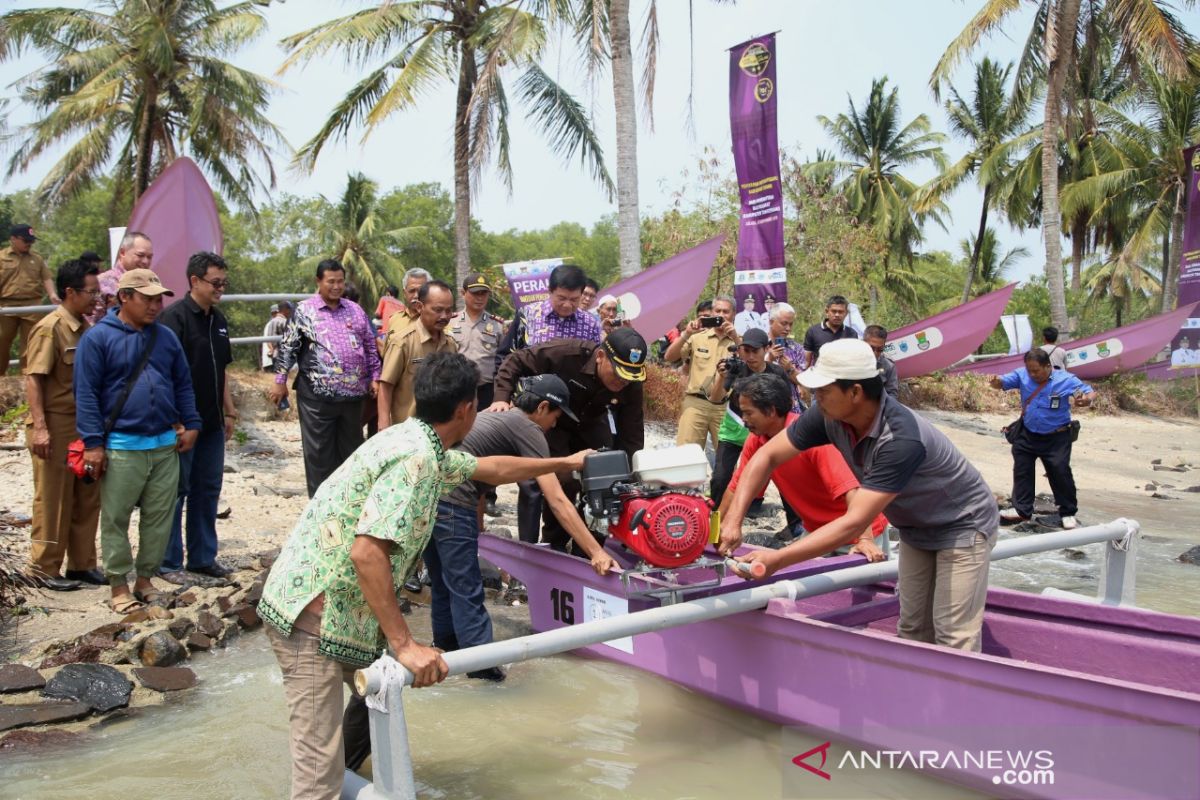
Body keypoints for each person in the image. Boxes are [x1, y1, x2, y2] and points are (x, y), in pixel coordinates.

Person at [259, 352, 592, 800]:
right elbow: (367, 553)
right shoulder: (416, 461)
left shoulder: (417, 441)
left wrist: (564, 463)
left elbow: (491, 468)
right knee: (317, 776)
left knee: (375, 694)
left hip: (342, 616)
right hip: (311, 618)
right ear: (465, 409)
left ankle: (364, 777)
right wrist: (405, 644)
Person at [721, 339, 1000, 652]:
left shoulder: (900, 439)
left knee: (953, 636)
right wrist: (733, 521)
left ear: (854, 392)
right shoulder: (827, 416)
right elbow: (766, 456)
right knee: (912, 627)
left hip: (962, 523)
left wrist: (777, 559)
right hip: (914, 527)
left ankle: (958, 698)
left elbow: (855, 523)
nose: (816, 398)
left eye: (823, 391)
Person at [74, 269, 201, 614]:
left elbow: (183, 383)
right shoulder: (97, 339)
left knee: (160, 516)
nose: (155, 305)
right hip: (121, 446)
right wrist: (94, 444)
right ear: (123, 297)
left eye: (159, 298)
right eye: (147, 298)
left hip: (163, 444)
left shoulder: (165, 338)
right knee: (116, 517)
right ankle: (118, 585)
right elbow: (85, 395)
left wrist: (191, 423)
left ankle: (145, 580)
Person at [490, 327, 646, 550]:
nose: (623, 382)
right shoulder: (566, 353)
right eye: (618, 373)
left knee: (606, 480)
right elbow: (515, 361)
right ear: (601, 357)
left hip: (592, 424)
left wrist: (627, 476)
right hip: (555, 423)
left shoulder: (630, 382)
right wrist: (501, 398)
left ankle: (590, 549)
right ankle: (554, 544)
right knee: (561, 481)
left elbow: (631, 431)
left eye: (629, 378)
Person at [718, 373, 887, 561]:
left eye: (749, 413)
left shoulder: (812, 437)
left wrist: (864, 539)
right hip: (816, 532)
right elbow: (736, 488)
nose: (744, 420)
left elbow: (852, 490)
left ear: (771, 411)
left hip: (860, 531)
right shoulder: (756, 440)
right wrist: (718, 529)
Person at [23, 259, 104, 591]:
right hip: (55, 426)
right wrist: (40, 427)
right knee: (53, 497)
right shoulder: (49, 328)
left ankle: (82, 564)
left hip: (85, 427)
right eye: (91, 292)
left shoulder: (87, 329)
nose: (97, 298)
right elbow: (33, 378)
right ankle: (44, 568)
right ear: (70, 292)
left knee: (86, 495)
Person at [270, 260, 381, 498]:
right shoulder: (304, 311)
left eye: (340, 281)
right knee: (319, 454)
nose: (336, 286)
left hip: (352, 397)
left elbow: (370, 346)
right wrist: (279, 380)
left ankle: (347, 506)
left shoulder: (355, 310)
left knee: (351, 453)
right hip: (316, 398)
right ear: (318, 282)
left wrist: (375, 377)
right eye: (331, 281)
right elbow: (288, 347)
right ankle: (320, 511)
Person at [158, 252, 237, 583]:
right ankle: (167, 562)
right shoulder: (173, 320)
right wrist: (175, 422)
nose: (220, 288)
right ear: (194, 281)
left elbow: (223, 370)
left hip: (212, 423)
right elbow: (161, 376)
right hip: (181, 424)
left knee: (207, 489)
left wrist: (229, 411)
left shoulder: (218, 321)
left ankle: (203, 557)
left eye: (223, 283)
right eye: (215, 282)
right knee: (175, 492)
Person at [991, 349, 1093, 530]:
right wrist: (996, 382)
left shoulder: (1065, 380)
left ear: (1048, 366)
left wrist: (1085, 400)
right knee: (1022, 469)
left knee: (1059, 471)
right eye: (1029, 370)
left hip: (1057, 436)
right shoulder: (1022, 375)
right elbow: (1002, 382)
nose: (1032, 374)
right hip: (1028, 433)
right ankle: (1022, 509)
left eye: (1036, 370)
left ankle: (1068, 512)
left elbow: (1087, 392)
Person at [708, 328, 794, 507]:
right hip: (733, 433)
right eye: (745, 351)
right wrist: (721, 378)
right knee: (720, 478)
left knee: (785, 476)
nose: (750, 356)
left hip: (764, 435)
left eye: (755, 351)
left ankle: (794, 525)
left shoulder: (777, 373)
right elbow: (715, 399)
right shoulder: (735, 369)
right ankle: (714, 518)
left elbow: (788, 403)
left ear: (767, 348)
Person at [378, 280, 458, 430]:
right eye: (438, 310)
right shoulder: (402, 342)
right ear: (420, 307)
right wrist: (383, 425)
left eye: (448, 310)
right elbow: (386, 386)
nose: (444, 316)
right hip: (407, 431)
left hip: (439, 430)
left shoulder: (450, 345)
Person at [665, 296, 740, 451]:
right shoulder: (696, 337)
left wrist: (736, 338)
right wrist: (686, 334)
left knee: (728, 458)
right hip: (695, 404)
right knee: (687, 456)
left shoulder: (740, 341)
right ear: (711, 312)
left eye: (725, 311)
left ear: (734, 314)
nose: (721, 314)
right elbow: (669, 357)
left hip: (725, 407)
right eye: (717, 310)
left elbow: (751, 364)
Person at [494, 263, 602, 359]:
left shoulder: (590, 323)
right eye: (562, 298)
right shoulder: (527, 315)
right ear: (550, 290)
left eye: (574, 299)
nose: (567, 305)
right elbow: (505, 356)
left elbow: (597, 362)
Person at [1, 224, 59, 373]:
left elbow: (46, 278)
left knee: (31, 343)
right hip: (6, 306)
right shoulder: (1, 257)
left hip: (32, 305)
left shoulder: (37, 259)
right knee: (2, 341)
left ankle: (27, 378)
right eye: (25, 240)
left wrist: (52, 294)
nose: (29, 244)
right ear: (13, 239)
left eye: (31, 241)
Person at [448, 273, 504, 410]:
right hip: (457, 390)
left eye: (483, 293)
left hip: (487, 392)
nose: (479, 298)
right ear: (463, 293)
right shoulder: (450, 322)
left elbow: (503, 359)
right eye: (475, 293)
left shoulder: (497, 325)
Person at [94, 231, 153, 324]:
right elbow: (91, 324)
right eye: (140, 255)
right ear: (122, 252)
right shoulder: (102, 282)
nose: (145, 261)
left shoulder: (151, 283)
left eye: (149, 257)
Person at [764, 301, 807, 412]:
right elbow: (751, 376)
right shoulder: (758, 346)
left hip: (792, 411)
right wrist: (769, 360)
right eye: (784, 323)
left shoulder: (796, 348)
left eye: (791, 324)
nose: (788, 328)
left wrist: (790, 369)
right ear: (771, 322)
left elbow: (805, 381)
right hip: (765, 409)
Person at [802, 294, 858, 368]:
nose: (837, 315)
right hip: (821, 377)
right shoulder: (813, 331)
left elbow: (854, 360)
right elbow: (806, 362)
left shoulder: (852, 334)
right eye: (834, 311)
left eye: (840, 312)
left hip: (844, 377)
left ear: (846, 313)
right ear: (827, 311)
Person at [383, 267, 431, 343]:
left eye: (420, 291)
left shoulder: (437, 321)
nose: (416, 295)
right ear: (405, 293)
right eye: (412, 291)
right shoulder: (394, 320)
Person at [862, 324, 900, 398]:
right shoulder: (850, 358)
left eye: (880, 350)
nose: (875, 353)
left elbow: (892, 394)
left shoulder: (888, 365)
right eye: (871, 348)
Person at [261, 301, 293, 371]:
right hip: (274, 357)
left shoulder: (270, 323)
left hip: (270, 359)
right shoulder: (277, 322)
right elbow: (269, 340)